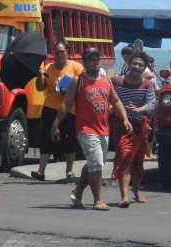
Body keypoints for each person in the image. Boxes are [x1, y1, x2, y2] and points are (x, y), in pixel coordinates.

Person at [50, 47, 132, 211]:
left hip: (103, 129)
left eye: (97, 58)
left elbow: (115, 101)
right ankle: (98, 200)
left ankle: (78, 190)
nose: (95, 61)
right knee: (96, 162)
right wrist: (56, 124)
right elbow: (66, 104)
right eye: (91, 59)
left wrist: (125, 119)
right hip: (85, 128)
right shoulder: (77, 80)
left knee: (96, 162)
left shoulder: (106, 80)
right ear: (85, 62)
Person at [31, 41, 84, 181]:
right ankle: (41, 171)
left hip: (69, 109)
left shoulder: (76, 67)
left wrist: (68, 90)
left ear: (68, 53)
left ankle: (69, 170)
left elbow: (83, 86)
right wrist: (39, 75)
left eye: (62, 52)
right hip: (50, 108)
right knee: (47, 139)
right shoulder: (48, 68)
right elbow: (40, 88)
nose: (59, 55)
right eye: (57, 52)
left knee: (69, 139)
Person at [110, 51, 157, 207]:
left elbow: (152, 104)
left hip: (140, 127)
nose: (137, 67)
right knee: (124, 156)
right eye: (134, 63)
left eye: (140, 65)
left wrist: (140, 109)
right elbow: (106, 95)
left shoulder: (147, 84)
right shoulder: (115, 81)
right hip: (122, 126)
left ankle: (136, 191)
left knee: (138, 161)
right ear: (128, 64)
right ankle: (124, 196)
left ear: (144, 68)